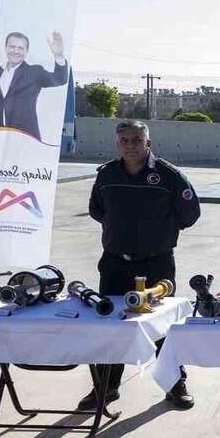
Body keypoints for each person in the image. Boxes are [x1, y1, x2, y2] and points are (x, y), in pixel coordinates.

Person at [81, 120, 200, 410]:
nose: (131, 145)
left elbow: (189, 215)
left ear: (148, 143)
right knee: (110, 326)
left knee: (163, 327)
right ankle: (106, 387)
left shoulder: (169, 177)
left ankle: (175, 384)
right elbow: (97, 211)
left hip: (156, 266)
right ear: (117, 144)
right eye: (124, 140)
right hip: (115, 264)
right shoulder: (107, 174)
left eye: (137, 140)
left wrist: (154, 235)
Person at [0, 30, 69, 141]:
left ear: (26, 51)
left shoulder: (34, 72)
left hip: (25, 137)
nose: (16, 51)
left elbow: (60, 79)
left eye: (20, 48)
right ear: (5, 48)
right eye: (12, 47)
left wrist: (59, 56)